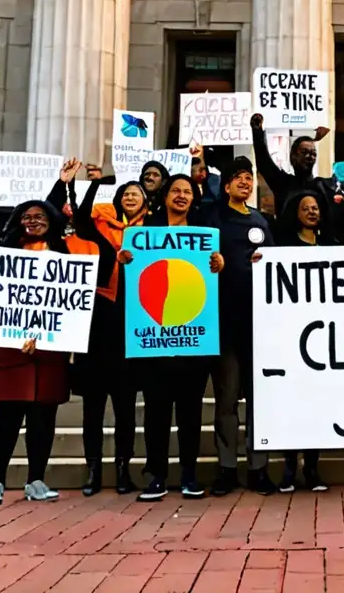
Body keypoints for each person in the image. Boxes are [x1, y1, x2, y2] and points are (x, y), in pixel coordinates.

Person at [0, 198, 100, 505]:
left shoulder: (66, 254)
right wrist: (19, 332)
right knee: (6, 416)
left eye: (39, 216)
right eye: (26, 217)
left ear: (51, 219)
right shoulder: (4, 254)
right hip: (10, 349)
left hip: (50, 350)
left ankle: (36, 480)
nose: (32, 221)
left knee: (43, 417)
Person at [119, 175, 224, 501]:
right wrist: (122, 262)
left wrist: (220, 264)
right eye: (176, 191)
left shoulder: (204, 232)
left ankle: (190, 476)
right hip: (153, 341)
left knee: (191, 412)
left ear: (194, 199)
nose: (181, 196)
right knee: (156, 411)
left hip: (193, 340)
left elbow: (212, 277)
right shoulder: (140, 234)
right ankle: (157, 476)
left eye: (187, 192)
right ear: (164, 196)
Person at [59, 162, 144, 496]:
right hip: (96, 328)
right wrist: (94, 185)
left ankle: (123, 468)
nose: (132, 198)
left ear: (145, 203)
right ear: (118, 198)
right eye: (127, 194)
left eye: (138, 194)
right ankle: (93, 468)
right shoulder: (98, 229)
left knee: (125, 408)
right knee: (93, 407)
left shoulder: (151, 231)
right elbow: (79, 219)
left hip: (131, 329)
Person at [207, 158, 276, 497]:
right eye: (239, 178)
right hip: (224, 323)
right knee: (227, 401)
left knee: (260, 402)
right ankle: (227, 468)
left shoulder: (262, 221)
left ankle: (258, 468)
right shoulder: (214, 218)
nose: (246, 183)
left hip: (259, 326)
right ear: (228, 185)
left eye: (249, 178)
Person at [273, 188, 335, 491]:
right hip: (290, 338)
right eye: (305, 208)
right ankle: (288, 466)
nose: (312, 212)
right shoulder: (282, 248)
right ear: (295, 214)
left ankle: (312, 467)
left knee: (317, 405)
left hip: (323, 341)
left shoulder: (331, 246)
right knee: (292, 403)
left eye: (315, 208)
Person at [250, 114, 343, 243]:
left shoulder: (325, 186)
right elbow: (264, 163)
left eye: (313, 154)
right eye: (304, 152)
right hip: (288, 252)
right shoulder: (283, 183)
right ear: (293, 156)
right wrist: (257, 132)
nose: (309, 157)